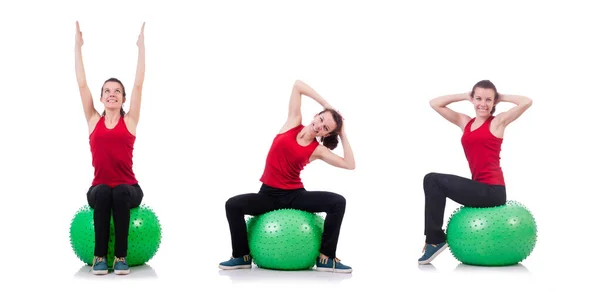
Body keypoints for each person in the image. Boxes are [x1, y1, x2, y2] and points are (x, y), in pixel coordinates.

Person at [219, 80, 356, 273]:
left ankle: (327, 258)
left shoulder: (318, 149)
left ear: (326, 134)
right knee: (232, 205)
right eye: (322, 120)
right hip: (267, 195)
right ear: (316, 115)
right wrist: (327, 105)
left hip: (294, 195)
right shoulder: (293, 122)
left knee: (338, 202)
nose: (320, 126)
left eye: (326, 128)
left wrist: (342, 133)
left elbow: (350, 165)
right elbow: (298, 85)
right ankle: (241, 256)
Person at [419, 80, 533, 265]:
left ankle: (435, 240)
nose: (483, 104)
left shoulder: (497, 122)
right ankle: (435, 238)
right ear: (472, 99)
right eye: (478, 98)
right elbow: (435, 103)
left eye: (488, 100)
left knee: (433, 180)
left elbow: (526, 101)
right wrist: (466, 95)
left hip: (493, 191)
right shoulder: (466, 122)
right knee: (431, 180)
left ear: (494, 102)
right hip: (479, 187)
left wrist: (499, 97)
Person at [74, 21, 146, 275]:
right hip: (99, 188)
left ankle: (121, 257)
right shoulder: (94, 120)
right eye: (107, 91)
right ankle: (99, 257)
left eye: (117, 91)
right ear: (102, 97)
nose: (112, 94)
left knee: (119, 194)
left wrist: (141, 47)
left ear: (123, 98)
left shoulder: (130, 121)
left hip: (129, 188)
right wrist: (78, 47)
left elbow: (138, 84)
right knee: (105, 191)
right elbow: (82, 85)